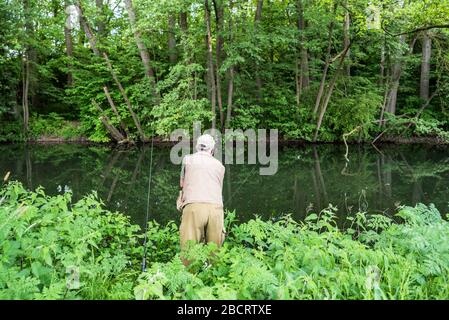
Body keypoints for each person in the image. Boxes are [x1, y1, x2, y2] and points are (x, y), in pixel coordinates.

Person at [178, 134, 225, 265]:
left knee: (189, 249)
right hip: (215, 208)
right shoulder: (219, 165)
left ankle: (188, 279)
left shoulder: (187, 159)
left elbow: (182, 183)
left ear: (197, 147)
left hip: (193, 207)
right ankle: (213, 278)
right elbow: (218, 188)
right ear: (212, 149)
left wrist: (181, 198)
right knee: (214, 252)